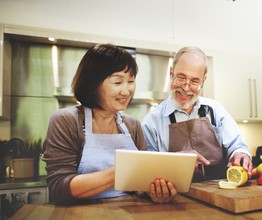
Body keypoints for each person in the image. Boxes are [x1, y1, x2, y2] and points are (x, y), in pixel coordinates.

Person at [43, 44, 176, 205]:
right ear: (93, 85)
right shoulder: (67, 121)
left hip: (128, 217)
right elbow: (59, 189)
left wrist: (153, 192)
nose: (126, 91)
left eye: (131, 81)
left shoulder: (132, 125)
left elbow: (140, 186)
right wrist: (121, 171)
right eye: (118, 82)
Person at [142, 46, 253, 181]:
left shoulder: (216, 110)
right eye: (181, 78)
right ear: (171, 74)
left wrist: (240, 154)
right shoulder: (151, 122)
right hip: (174, 197)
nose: (186, 87)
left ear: (203, 81)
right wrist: (174, 162)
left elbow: (237, 146)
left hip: (220, 192)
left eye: (194, 81)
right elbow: (147, 170)